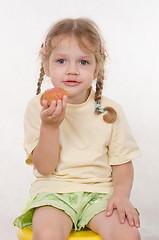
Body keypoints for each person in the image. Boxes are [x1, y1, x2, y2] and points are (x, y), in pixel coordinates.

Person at [14, 18, 141, 240]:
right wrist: (50, 126)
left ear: (96, 69)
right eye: (62, 61)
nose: (72, 70)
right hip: (53, 193)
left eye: (83, 62)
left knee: (128, 234)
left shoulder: (110, 110)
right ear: (47, 65)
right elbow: (44, 168)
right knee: (47, 234)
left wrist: (121, 195)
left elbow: (122, 163)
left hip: (100, 195)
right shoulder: (38, 107)